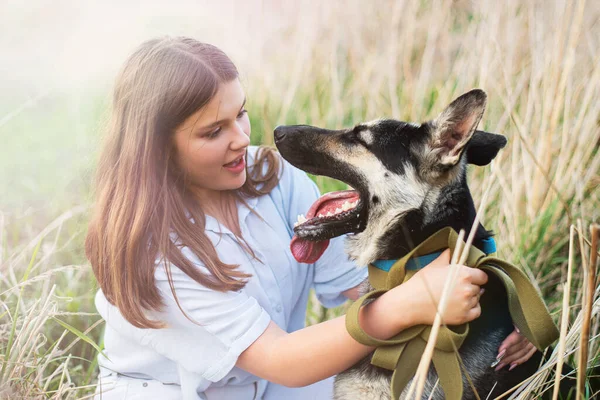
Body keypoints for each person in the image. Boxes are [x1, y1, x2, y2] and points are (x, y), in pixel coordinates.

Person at [86, 36, 535, 400]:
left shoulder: (270, 177)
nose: (242, 138)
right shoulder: (157, 253)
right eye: (213, 131)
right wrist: (407, 302)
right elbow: (282, 358)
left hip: (278, 386)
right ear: (158, 148)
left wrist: (504, 310)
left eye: (240, 113)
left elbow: (355, 284)